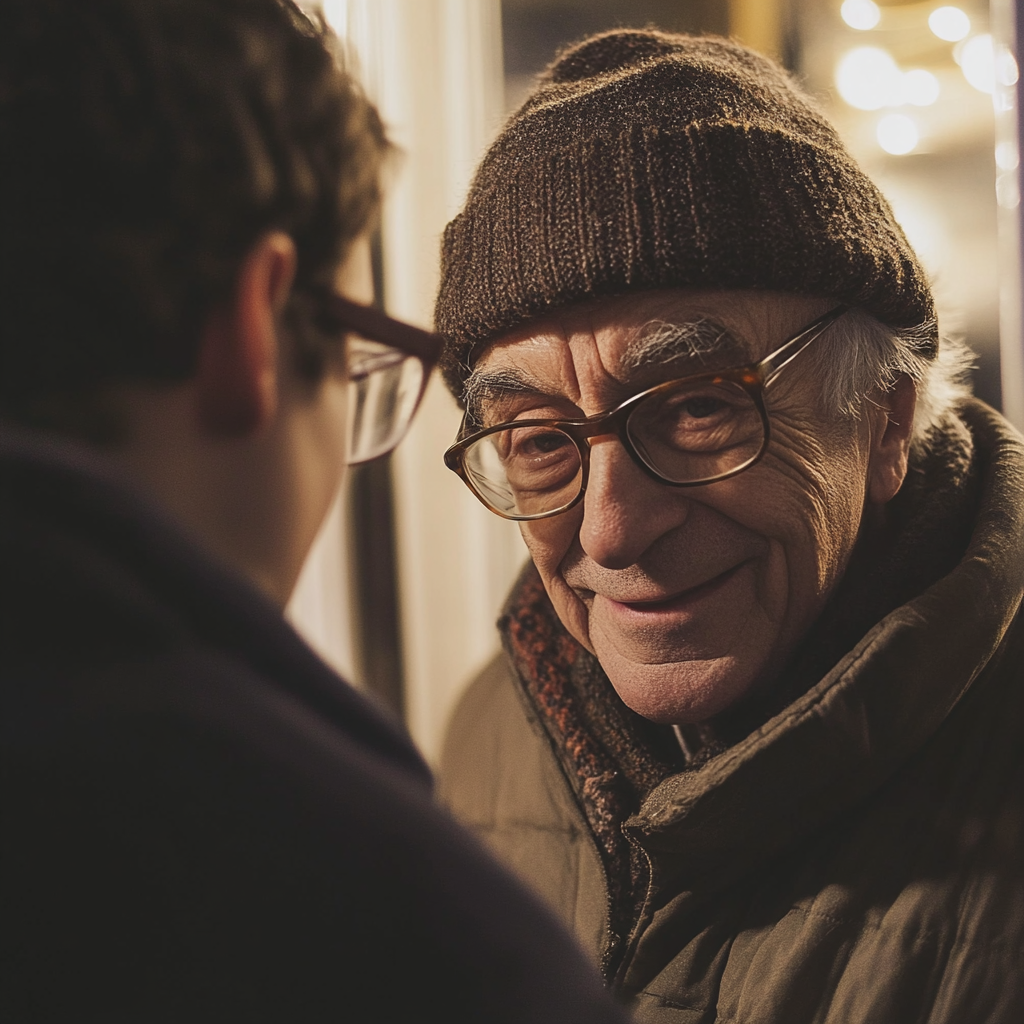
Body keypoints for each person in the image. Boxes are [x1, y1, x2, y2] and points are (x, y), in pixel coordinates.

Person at [0, 2, 632, 1021]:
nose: (611, 525)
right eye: (358, 355)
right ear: (257, 324)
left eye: (690, 410)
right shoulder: (404, 946)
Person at [436, 28, 1024, 1023]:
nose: (612, 531)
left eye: (695, 406)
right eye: (536, 438)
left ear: (882, 419)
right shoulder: (486, 731)